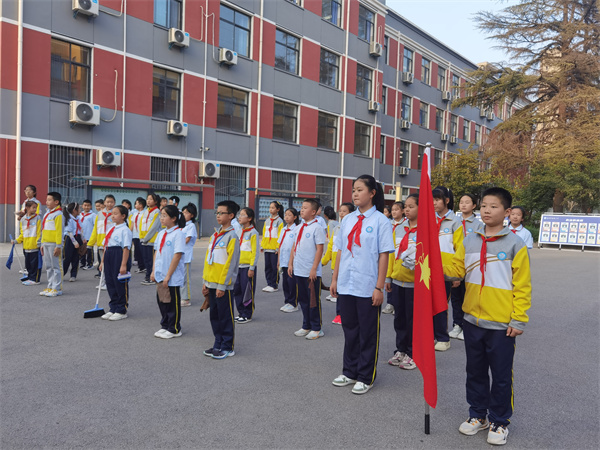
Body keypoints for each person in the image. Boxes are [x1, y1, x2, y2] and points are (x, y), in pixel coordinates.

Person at [443, 187, 531, 446]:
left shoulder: (516, 244)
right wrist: (431, 261)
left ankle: (500, 421)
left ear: (507, 212)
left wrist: (518, 319)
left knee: (501, 375)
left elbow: (522, 285)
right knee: (475, 371)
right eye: (484, 206)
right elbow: (457, 269)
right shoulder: (470, 239)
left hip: (501, 324)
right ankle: (478, 415)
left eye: (493, 206)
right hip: (472, 320)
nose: (486, 210)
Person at [330, 175, 394, 395]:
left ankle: (366, 376)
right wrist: (335, 278)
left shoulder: (380, 221)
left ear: (372, 193)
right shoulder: (347, 220)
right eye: (353, 190)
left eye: (359, 190)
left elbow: (384, 255)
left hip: (368, 285)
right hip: (347, 283)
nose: (355, 194)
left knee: (368, 332)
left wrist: (379, 286)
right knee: (350, 330)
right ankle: (349, 371)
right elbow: (340, 251)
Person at [202, 201, 240, 359]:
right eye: (217, 212)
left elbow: (230, 264)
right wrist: (205, 281)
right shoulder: (215, 235)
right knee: (215, 316)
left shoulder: (232, 237)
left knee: (225, 316)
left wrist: (222, 285)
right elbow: (208, 260)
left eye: (221, 213)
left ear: (231, 216)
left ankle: (227, 346)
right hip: (211, 283)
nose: (218, 215)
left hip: (223, 285)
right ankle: (217, 343)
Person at [386, 193, 419, 370]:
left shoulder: (427, 230)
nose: (406, 209)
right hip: (398, 281)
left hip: (415, 284)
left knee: (412, 320)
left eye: (411, 206)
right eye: (405, 206)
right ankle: (401, 350)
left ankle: (413, 353)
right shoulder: (399, 229)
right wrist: (389, 277)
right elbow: (392, 255)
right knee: (399, 318)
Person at [288, 198, 327, 340]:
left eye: (305, 208)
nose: (302, 210)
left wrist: (314, 269)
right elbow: (294, 247)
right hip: (298, 269)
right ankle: (306, 325)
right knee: (303, 300)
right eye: (301, 207)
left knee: (313, 300)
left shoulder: (317, 228)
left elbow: (319, 249)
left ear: (314, 212)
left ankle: (317, 328)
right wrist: (291, 264)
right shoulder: (298, 227)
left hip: (311, 272)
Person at [432, 185, 464, 352]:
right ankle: (429, 335)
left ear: (446, 200)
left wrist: (457, 274)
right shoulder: (430, 219)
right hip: (428, 270)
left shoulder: (455, 222)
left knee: (441, 304)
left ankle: (443, 338)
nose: (434, 203)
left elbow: (459, 249)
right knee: (428, 304)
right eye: (432, 200)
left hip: (446, 271)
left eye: (437, 199)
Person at [450, 194, 485, 341]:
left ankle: (466, 326)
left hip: (470, 265)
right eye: (461, 202)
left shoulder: (478, 225)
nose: (463, 205)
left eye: (467, 202)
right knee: (456, 297)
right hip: (456, 263)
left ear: (474, 206)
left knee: (467, 297)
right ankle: (457, 324)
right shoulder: (454, 222)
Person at [151, 205, 186, 339]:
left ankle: (175, 328)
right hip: (160, 273)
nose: (162, 218)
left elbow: (177, 255)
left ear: (173, 218)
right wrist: (154, 271)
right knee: (162, 300)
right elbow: (156, 253)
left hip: (171, 275)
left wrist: (168, 275)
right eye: (161, 215)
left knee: (172, 302)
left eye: (165, 215)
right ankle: (165, 325)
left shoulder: (178, 234)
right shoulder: (161, 233)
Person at [322, 202, 355, 323]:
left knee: (347, 292)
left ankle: (348, 314)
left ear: (351, 213)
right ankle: (339, 314)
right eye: (340, 211)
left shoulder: (354, 228)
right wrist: (324, 261)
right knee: (338, 291)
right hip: (335, 266)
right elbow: (331, 246)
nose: (341, 213)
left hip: (348, 266)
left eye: (344, 211)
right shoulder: (336, 229)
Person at [99, 205, 132, 321]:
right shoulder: (111, 228)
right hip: (109, 254)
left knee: (120, 283)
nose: (113, 215)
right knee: (110, 282)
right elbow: (105, 246)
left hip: (119, 255)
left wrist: (123, 264)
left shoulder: (125, 230)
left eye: (116, 213)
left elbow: (126, 248)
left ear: (123, 216)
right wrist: (102, 261)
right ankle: (113, 307)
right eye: (112, 213)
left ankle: (122, 309)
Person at [234, 207, 259, 323]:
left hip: (247, 267)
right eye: (239, 214)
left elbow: (255, 252)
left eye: (242, 215)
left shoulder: (253, 233)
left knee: (247, 291)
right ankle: (240, 312)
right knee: (237, 290)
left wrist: (252, 267)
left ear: (249, 218)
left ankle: (247, 314)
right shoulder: (239, 232)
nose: (239, 216)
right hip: (237, 266)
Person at [382, 201, 406, 315]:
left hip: (398, 255)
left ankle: (396, 304)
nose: (394, 212)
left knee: (396, 281)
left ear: (402, 211)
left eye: (397, 209)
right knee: (387, 278)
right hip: (388, 254)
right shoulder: (388, 223)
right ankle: (390, 303)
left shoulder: (405, 224)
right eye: (393, 210)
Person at [39, 192, 64, 297]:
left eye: (49, 200)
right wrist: (42, 243)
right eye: (46, 200)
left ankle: (57, 288)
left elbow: (59, 232)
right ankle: (50, 286)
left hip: (54, 244)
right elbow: (44, 230)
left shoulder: (58, 214)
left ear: (56, 202)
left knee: (56, 266)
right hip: (46, 243)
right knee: (48, 266)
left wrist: (58, 246)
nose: (47, 202)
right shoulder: (47, 213)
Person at [88, 195, 116, 287]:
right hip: (101, 243)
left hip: (112, 243)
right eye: (107, 202)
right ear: (104, 203)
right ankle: (103, 282)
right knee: (103, 264)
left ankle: (110, 282)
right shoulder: (99, 214)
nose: (109, 204)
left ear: (114, 203)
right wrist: (91, 243)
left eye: (111, 202)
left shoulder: (116, 214)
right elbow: (95, 229)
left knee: (111, 264)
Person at [278, 207, 300, 313]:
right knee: (285, 282)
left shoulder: (297, 229)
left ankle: (293, 303)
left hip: (292, 261)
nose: (286, 217)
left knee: (292, 282)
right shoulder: (283, 229)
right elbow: (280, 245)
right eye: (285, 214)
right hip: (283, 260)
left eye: (289, 215)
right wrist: (278, 260)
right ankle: (287, 301)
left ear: (295, 217)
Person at [14, 200, 42, 285]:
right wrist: (16, 241)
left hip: (35, 245)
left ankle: (35, 279)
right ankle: (30, 278)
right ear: (27, 208)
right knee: (28, 264)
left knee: (35, 264)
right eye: (33, 208)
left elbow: (39, 232)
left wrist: (39, 243)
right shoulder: (23, 219)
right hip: (26, 246)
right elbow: (22, 233)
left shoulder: (38, 218)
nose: (35, 209)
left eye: (36, 208)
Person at [261, 201, 284, 293]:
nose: (271, 209)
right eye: (270, 207)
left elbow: (280, 235)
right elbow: (264, 233)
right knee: (267, 267)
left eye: (273, 208)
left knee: (275, 267)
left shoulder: (280, 221)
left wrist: (278, 248)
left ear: (278, 209)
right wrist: (263, 245)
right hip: (267, 247)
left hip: (274, 248)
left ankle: (274, 285)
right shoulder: (267, 221)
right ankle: (269, 283)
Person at [140, 193, 161, 285]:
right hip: (144, 240)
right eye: (147, 199)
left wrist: (146, 238)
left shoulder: (157, 212)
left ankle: (151, 277)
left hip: (151, 241)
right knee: (146, 259)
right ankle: (148, 276)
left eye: (151, 199)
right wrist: (142, 237)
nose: (148, 201)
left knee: (151, 260)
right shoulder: (145, 212)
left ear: (156, 201)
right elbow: (140, 225)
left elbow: (154, 227)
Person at [180, 203, 198, 307]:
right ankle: (181, 295)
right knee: (179, 277)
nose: (184, 214)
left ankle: (186, 298)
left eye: (186, 212)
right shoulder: (182, 226)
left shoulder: (191, 226)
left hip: (185, 256)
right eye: (183, 212)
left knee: (185, 278)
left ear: (191, 215)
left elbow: (187, 240)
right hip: (179, 255)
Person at [62, 202, 82, 282]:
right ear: (74, 210)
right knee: (67, 257)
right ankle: (62, 274)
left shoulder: (77, 218)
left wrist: (82, 238)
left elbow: (80, 229)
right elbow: (69, 232)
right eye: (79, 208)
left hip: (77, 237)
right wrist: (74, 242)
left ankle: (73, 275)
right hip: (69, 239)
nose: (80, 210)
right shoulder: (68, 219)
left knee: (76, 257)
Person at [130, 197, 146, 273]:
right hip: (135, 235)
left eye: (136, 203)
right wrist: (130, 233)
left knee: (143, 251)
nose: (135, 205)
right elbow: (132, 224)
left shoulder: (145, 213)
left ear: (141, 205)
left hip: (142, 235)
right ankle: (141, 266)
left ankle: (144, 266)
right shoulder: (135, 213)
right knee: (137, 252)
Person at [79, 200, 96, 270]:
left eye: (88, 205)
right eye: (85, 205)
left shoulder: (93, 215)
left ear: (91, 206)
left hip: (89, 235)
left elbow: (95, 225)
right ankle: (82, 263)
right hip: (82, 236)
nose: (86, 207)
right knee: (82, 250)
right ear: (82, 206)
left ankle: (90, 264)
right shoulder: (80, 215)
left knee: (89, 251)